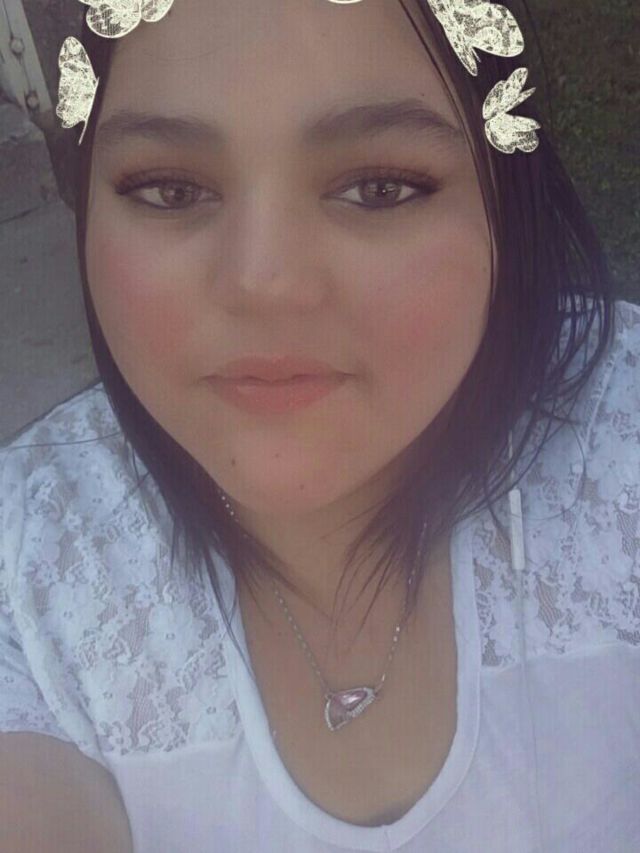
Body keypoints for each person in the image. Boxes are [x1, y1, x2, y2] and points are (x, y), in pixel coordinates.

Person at [1, 0, 638, 850]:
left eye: (380, 187)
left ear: (503, 201)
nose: (263, 282)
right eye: (171, 189)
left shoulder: (617, 447)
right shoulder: (29, 577)